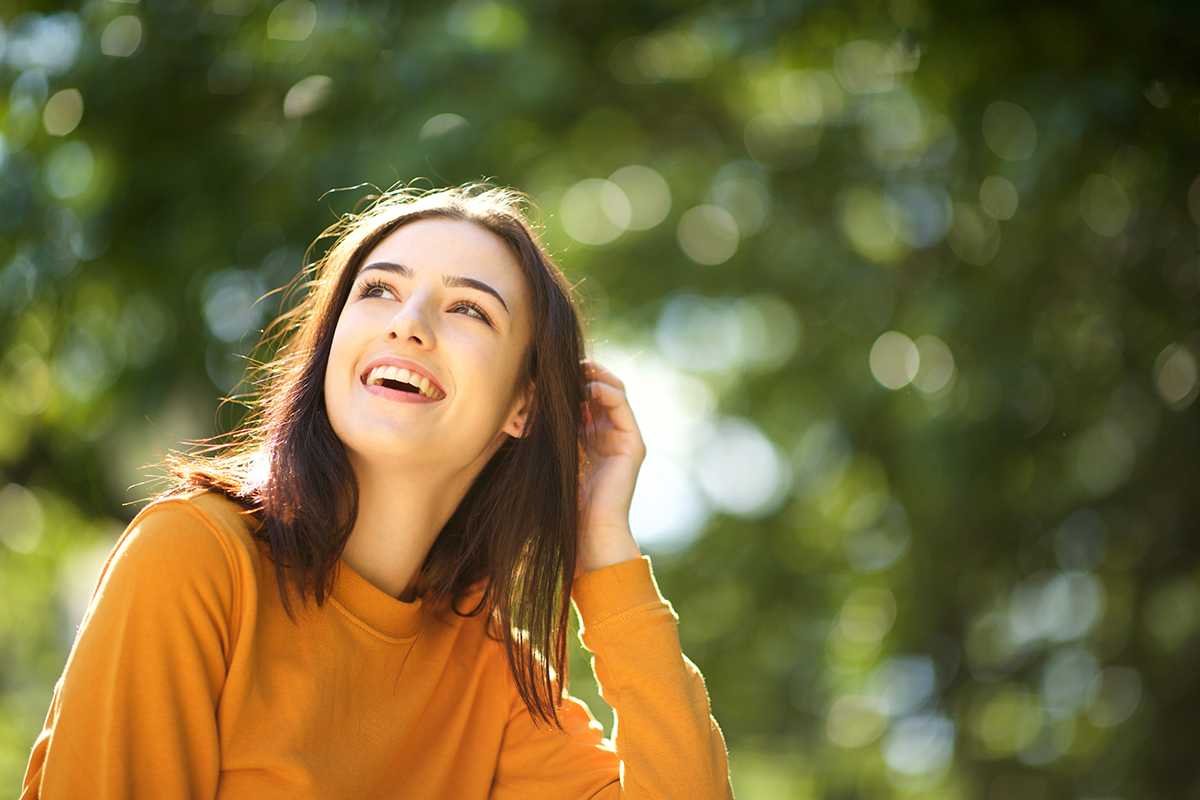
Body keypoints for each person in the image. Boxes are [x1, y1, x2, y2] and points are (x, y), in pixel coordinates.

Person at [21, 185, 733, 799]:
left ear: (524, 406)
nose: (407, 321)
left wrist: (604, 546)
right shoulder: (194, 557)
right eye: (379, 290)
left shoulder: (492, 674)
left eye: (470, 310)